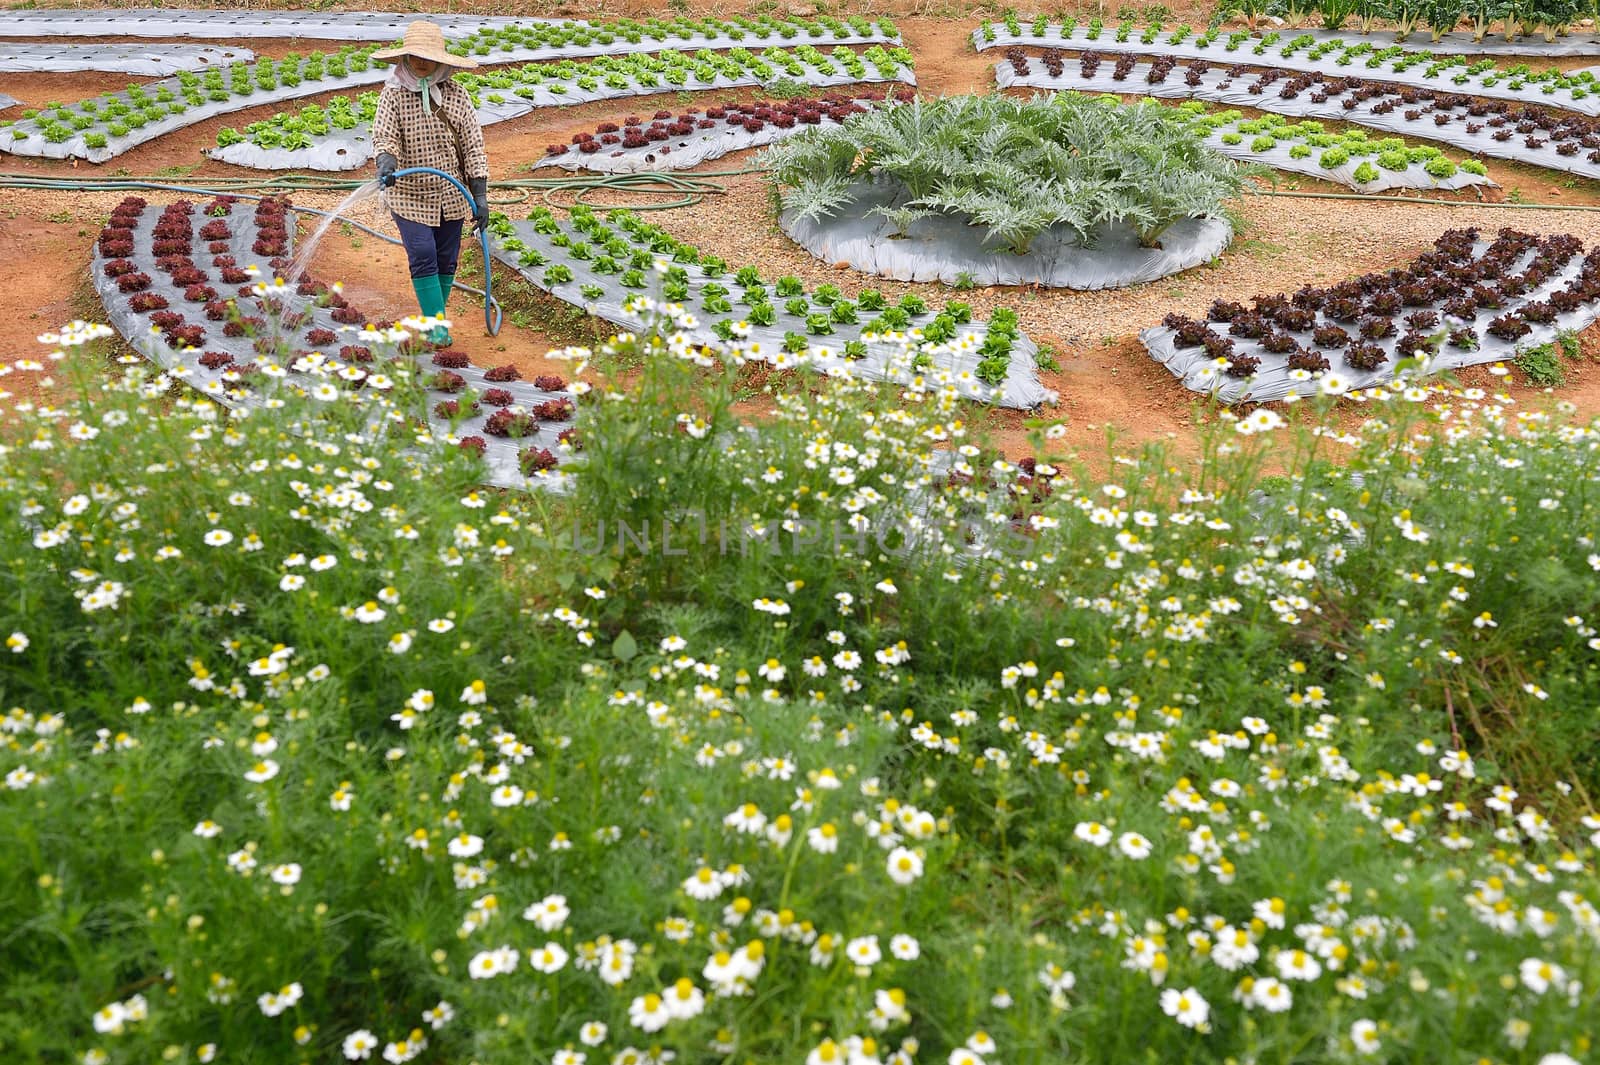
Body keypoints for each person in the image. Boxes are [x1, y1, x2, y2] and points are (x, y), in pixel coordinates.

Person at [371, 20, 489, 347]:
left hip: (452, 193)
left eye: (427, 56)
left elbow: (473, 145)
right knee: (423, 252)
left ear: (440, 60)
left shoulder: (456, 95)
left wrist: (480, 194)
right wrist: (386, 160)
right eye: (415, 56)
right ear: (405, 58)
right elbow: (384, 135)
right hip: (409, 193)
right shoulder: (393, 95)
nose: (421, 62)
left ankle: (434, 316)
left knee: (447, 257)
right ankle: (437, 326)